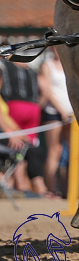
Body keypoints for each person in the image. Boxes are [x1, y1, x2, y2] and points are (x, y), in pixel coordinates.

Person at [0, 58, 48, 195]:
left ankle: (32, 187)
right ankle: (24, 187)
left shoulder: (2, 99)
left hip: (8, 133)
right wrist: (12, 134)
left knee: (29, 149)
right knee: (22, 150)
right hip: (4, 136)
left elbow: (7, 120)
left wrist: (18, 134)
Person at [38, 49, 72, 197]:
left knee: (73, 153)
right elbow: (48, 90)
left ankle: (69, 189)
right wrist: (61, 110)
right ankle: (52, 189)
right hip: (54, 113)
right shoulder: (47, 65)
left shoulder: (69, 64)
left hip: (71, 115)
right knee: (55, 151)